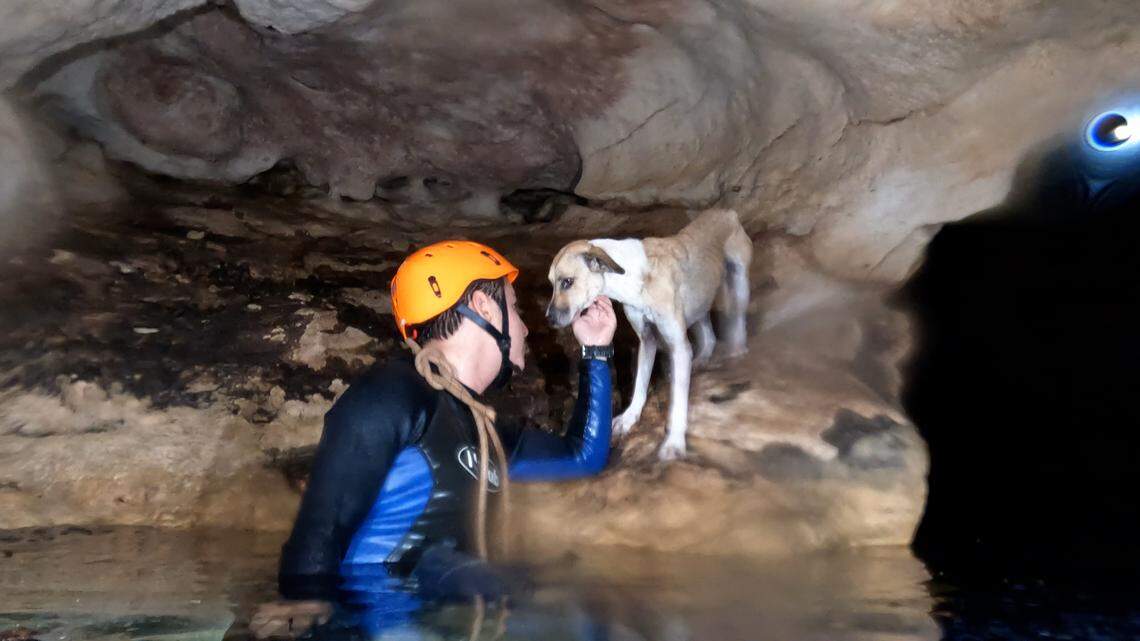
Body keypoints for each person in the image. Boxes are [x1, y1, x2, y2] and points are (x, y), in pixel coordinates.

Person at [250, 240, 617, 639]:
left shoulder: (487, 430)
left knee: (568, 591)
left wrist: (595, 351)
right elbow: (324, 521)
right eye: (514, 306)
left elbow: (583, 456)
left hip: (448, 611)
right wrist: (303, 603)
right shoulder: (392, 392)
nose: (526, 325)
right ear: (483, 305)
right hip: (370, 616)